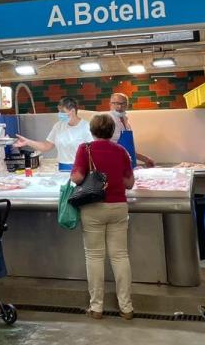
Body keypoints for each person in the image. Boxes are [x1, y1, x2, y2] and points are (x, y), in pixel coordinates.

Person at [71, 114, 136, 320]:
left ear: (91, 131)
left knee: (94, 256)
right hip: (118, 206)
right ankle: (126, 307)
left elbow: (77, 177)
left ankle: (96, 307)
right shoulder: (121, 151)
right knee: (120, 256)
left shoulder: (85, 149)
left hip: (93, 207)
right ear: (112, 131)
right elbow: (129, 183)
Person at [14, 97, 93, 171]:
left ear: (72, 111)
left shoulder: (86, 127)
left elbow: (94, 151)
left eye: (62, 112)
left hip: (81, 168)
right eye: (59, 111)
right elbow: (46, 146)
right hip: (62, 168)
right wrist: (27, 142)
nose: (59, 114)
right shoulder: (58, 126)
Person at [108, 93, 155, 167]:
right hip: (116, 163)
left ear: (127, 105)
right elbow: (108, 147)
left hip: (128, 162)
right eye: (116, 103)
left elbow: (127, 148)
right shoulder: (107, 121)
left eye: (123, 104)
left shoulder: (125, 120)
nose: (119, 107)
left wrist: (145, 159)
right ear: (110, 104)